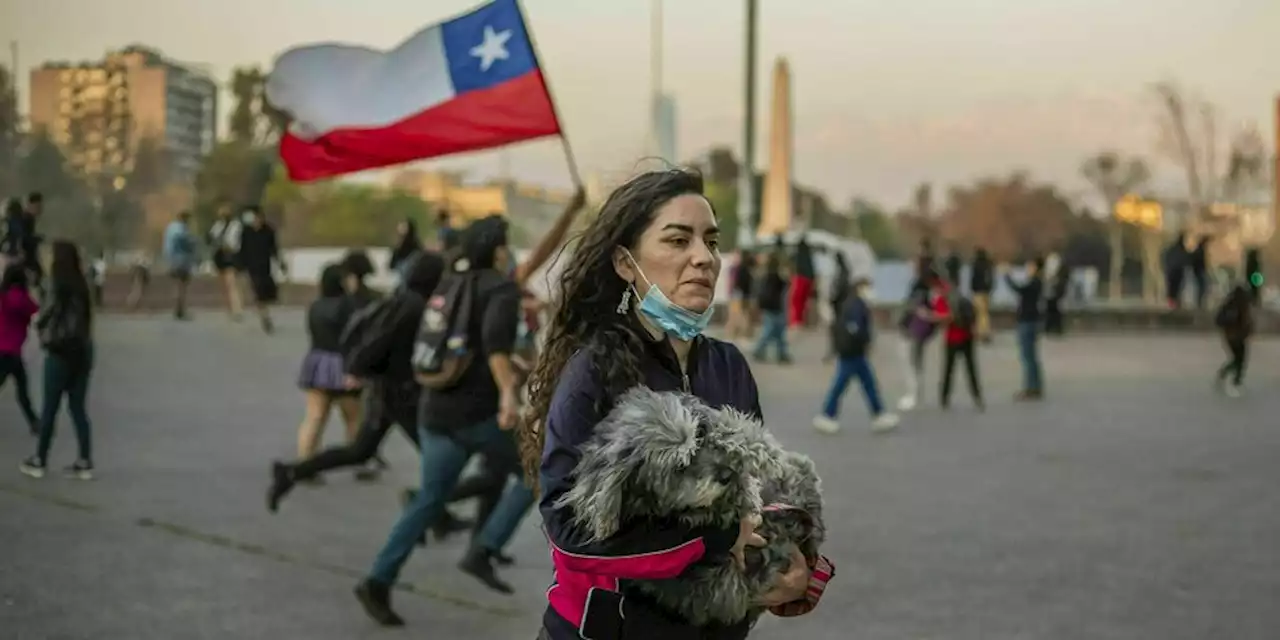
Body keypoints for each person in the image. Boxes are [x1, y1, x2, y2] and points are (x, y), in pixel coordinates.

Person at [516, 169, 825, 639]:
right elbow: (571, 534)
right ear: (625, 263)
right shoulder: (594, 369)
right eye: (678, 241)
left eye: (711, 242)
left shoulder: (728, 365)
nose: (703, 258)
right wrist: (714, 542)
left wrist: (795, 558)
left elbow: (756, 493)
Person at [352, 216, 536, 625]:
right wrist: (509, 393)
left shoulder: (450, 284)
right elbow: (493, 345)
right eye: (505, 244)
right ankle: (483, 549)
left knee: (429, 500)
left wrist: (510, 370)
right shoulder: (501, 288)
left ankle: (378, 580)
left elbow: (465, 342)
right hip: (476, 414)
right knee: (536, 470)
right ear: (497, 250)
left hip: (434, 409)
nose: (508, 251)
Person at [20, 241, 95, 480]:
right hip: (83, 351)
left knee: (50, 408)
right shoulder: (82, 286)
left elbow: (46, 315)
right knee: (77, 408)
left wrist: (39, 328)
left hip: (60, 351)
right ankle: (85, 460)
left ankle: (40, 459)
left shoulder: (56, 285)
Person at [813, 277, 899, 434]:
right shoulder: (856, 305)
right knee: (842, 384)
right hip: (852, 353)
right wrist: (864, 341)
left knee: (867, 383)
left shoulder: (854, 303)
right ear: (860, 288)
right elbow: (855, 329)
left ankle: (878, 414)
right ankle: (827, 415)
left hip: (853, 352)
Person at [295, 264, 363, 463]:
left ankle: (305, 459)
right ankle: (359, 460)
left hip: (317, 362)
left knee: (315, 417)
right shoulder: (349, 306)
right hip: (343, 364)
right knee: (354, 418)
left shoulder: (316, 305)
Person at [0, 262, 40, 433]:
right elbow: (35, 309)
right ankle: (34, 422)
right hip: (13, 351)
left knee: (20, 386)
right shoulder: (22, 297)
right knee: (22, 390)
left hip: (2, 349)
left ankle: (34, 421)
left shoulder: (3, 296)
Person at [932, 278, 984, 410]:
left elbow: (944, 319)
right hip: (967, 337)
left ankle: (944, 398)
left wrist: (932, 316)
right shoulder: (959, 297)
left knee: (949, 369)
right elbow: (972, 313)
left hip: (952, 339)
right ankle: (977, 397)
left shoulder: (941, 300)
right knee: (971, 368)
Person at [237, 206, 287, 333]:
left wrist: (281, 263)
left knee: (267, 293)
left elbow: (274, 249)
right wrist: (240, 265)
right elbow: (242, 249)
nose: (257, 221)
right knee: (258, 291)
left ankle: (262, 310)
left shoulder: (269, 231)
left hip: (265, 266)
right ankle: (265, 317)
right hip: (251, 267)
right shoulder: (246, 232)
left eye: (259, 218)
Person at [897, 267, 940, 412]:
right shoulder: (929, 294)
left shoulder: (919, 294)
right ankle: (916, 393)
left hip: (913, 333)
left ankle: (913, 394)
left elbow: (912, 312)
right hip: (920, 333)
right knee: (916, 363)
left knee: (911, 363)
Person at [1004, 257, 1045, 400]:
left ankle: (1031, 388)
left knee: (1028, 357)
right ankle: (1035, 386)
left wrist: (1007, 276)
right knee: (1031, 356)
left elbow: (1019, 289)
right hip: (1030, 321)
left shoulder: (1035, 282)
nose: (1028, 268)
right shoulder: (1036, 282)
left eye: (1030, 266)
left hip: (1027, 322)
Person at [1214, 283, 1253, 398]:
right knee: (1239, 360)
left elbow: (1218, 320)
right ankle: (1235, 380)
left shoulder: (1230, 304)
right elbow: (1246, 321)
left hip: (1231, 336)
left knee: (1238, 359)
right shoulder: (1238, 305)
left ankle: (1227, 375)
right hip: (1236, 336)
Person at [206, 203, 245, 321]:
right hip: (219, 255)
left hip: (231, 255)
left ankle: (237, 309)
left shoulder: (236, 225)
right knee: (223, 285)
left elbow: (235, 242)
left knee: (232, 283)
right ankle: (228, 308)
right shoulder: (218, 225)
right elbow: (211, 237)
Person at [752, 252, 791, 363]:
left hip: (768, 306)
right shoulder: (777, 275)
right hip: (776, 306)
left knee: (773, 330)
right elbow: (786, 284)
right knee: (775, 331)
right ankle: (763, 350)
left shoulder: (764, 274)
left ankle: (780, 353)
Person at [162, 211, 198, 320]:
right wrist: (192, 243)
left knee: (177, 285)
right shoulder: (180, 228)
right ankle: (180, 310)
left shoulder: (170, 227)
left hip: (172, 260)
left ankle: (178, 309)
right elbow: (182, 242)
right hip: (181, 260)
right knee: (181, 286)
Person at [724, 249, 756, 341]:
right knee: (740, 313)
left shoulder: (739, 268)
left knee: (739, 313)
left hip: (739, 294)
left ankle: (736, 332)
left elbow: (735, 282)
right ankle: (738, 332)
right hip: (741, 294)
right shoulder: (742, 268)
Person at [788, 235, 816, 327]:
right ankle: (804, 320)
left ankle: (796, 320)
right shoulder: (809, 256)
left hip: (799, 279)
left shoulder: (797, 255)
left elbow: (792, 267)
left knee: (797, 301)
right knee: (805, 301)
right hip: (808, 280)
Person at [969, 247, 994, 342]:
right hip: (986, 292)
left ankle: (980, 332)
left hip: (977, 291)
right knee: (985, 313)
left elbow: (973, 278)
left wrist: (972, 289)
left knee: (977, 313)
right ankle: (985, 332)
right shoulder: (988, 264)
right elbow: (991, 278)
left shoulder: (975, 264)